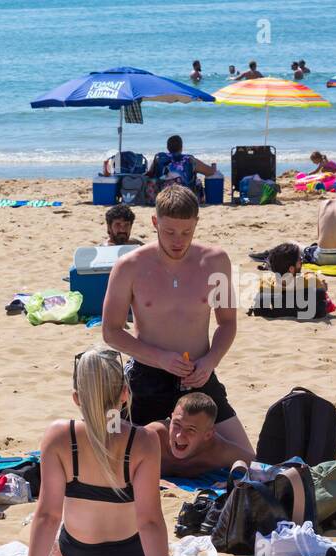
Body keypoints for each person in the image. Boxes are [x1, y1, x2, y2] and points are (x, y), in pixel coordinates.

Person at [8, 347, 186, 556]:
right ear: (125, 394)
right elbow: (149, 520)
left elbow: (48, 515)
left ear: (77, 398)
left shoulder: (59, 437)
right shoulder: (144, 441)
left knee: (41, 525)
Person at [101, 185, 253, 456]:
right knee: (114, 455)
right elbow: (111, 331)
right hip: (147, 375)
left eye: (186, 232)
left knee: (246, 456)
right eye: (169, 231)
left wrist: (210, 361)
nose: (178, 241)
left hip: (199, 375)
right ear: (154, 222)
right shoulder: (130, 266)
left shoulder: (215, 261)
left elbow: (227, 322)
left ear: (196, 223)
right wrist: (159, 358)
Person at [147, 392, 253, 478]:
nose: (180, 435)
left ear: (208, 435)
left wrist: (237, 483)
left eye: (191, 429)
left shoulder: (218, 451)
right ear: (171, 418)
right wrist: (152, 481)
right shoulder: (152, 437)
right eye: (177, 424)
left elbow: (263, 468)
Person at [146, 134, 215, 188]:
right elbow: (210, 172)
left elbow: (150, 173)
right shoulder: (189, 159)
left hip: (163, 196)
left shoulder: (159, 157)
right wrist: (213, 168)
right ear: (181, 147)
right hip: (185, 197)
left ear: (167, 148)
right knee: (198, 182)